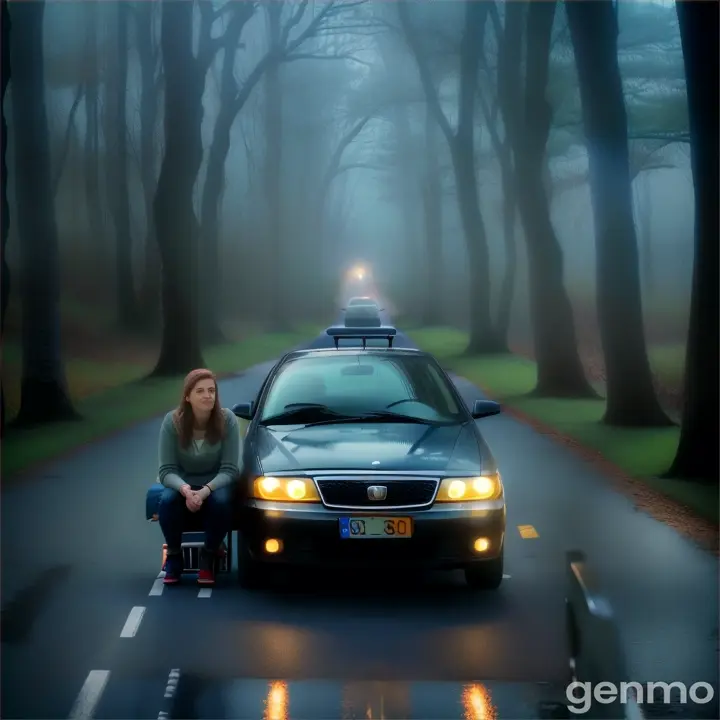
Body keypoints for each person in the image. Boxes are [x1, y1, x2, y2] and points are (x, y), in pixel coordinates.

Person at [158, 368, 240, 586]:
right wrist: (185, 490)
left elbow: (231, 469)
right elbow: (166, 471)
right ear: (187, 396)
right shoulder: (172, 422)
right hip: (182, 481)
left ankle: (209, 555)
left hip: (216, 482)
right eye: (200, 391)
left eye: (212, 391)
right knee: (166, 500)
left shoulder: (227, 420)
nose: (207, 396)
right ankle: (174, 557)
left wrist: (205, 491)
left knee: (222, 501)